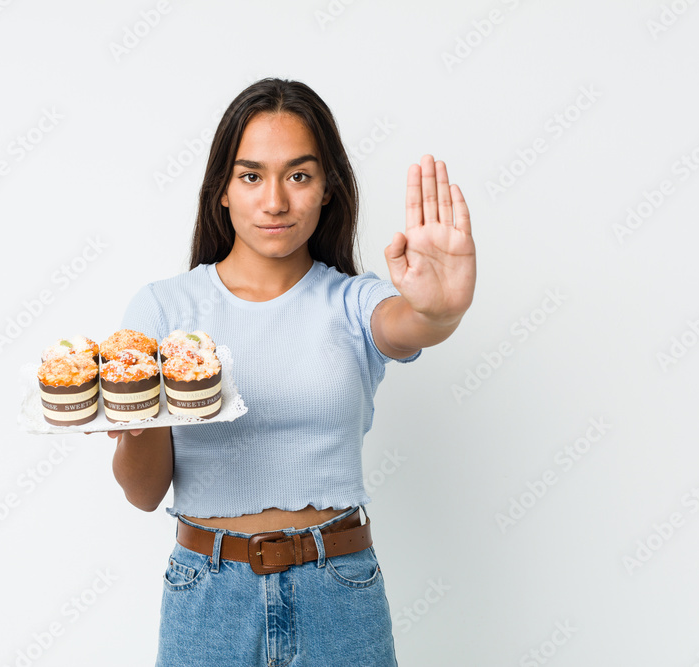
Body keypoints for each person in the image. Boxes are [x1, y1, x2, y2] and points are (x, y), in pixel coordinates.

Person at [107, 77, 476, 666]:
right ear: (222, 191)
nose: (274, 200)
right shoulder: (163, 310)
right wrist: (139, 415)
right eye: (251, 176)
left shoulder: (355, 303)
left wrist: (440, 309)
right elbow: (143, 492)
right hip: (208, 598)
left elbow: (411, 324)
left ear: (327, 188)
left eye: (299, 175)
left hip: (339, 592)